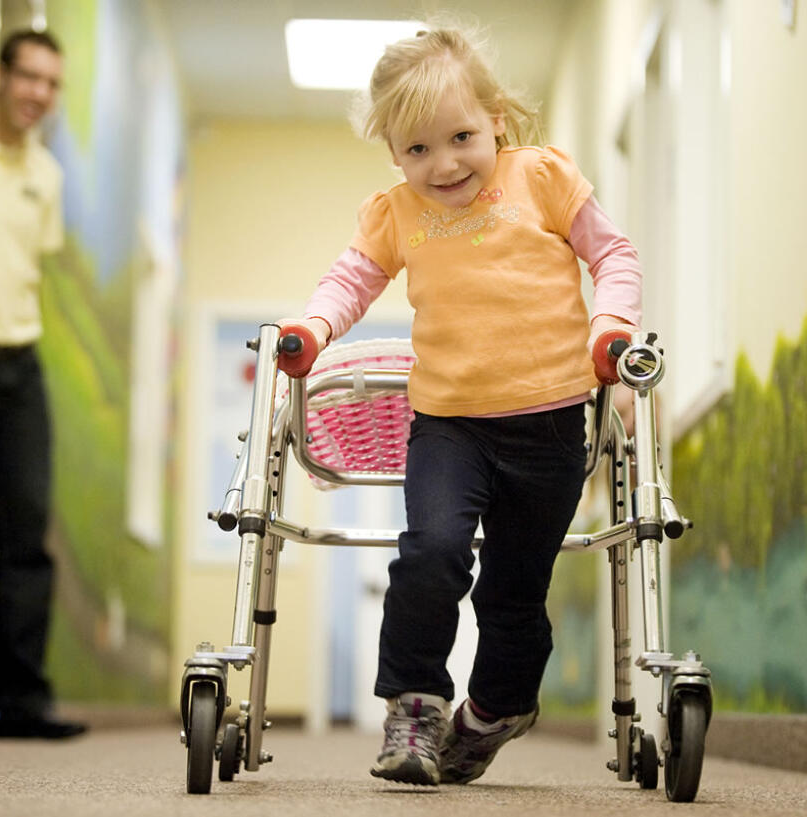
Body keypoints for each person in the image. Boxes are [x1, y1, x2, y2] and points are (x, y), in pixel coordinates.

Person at [282, 24, 641, 785]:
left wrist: (612, 325)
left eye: (461, 137)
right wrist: (314, 326)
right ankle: (415, 704)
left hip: (549, 423)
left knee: (514, 590)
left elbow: (612, 253)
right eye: (416, 150)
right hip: (447, 424)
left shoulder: (542, 177)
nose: (442, 164)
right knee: (431, 553)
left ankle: (496, 708)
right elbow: (349, 281)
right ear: (393, 154)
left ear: (497, 118)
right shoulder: (394, 212)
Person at [0, 29, 84, 740]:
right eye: (29, 77)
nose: (39, 95)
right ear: (0, 73)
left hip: (19, 356)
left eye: (52, 84)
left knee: (27, 533)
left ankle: (20, 702)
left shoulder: (46, 174)